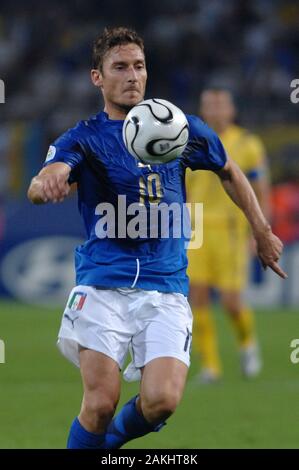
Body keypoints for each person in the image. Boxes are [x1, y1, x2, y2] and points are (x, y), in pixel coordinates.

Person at [27, 27, 286, 449]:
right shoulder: (86, 136)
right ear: (98, 77)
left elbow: (229, 169)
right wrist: (48, 182)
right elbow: (44, 180)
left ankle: (107, 444)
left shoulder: (179, 128)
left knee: (162, 400)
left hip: (164, 286)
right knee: (99, 403)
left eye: (139, 66)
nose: (133, 76)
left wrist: (261, 230)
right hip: (102, 283)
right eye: (120, 67)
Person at [186, 88, 271, 383]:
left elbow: (261, 192)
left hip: (232, 231)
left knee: (231, 302)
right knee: (196, 298)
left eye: (220, 105)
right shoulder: (188, 141)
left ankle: (247, 344)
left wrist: (260, 232)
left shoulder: (247, 144)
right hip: (195, 230)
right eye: (209, 105)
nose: (215, 110)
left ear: (231, 110)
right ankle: (210, 367)